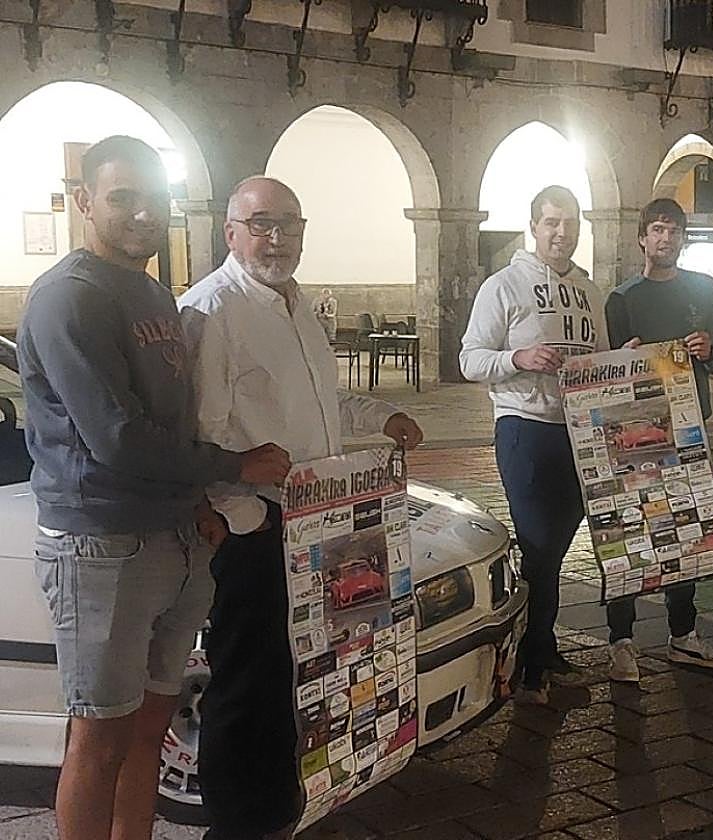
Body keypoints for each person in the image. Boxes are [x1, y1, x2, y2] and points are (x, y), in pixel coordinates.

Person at [17, 136, 290, 840]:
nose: (143, 213)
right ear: (83, 201)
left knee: (147, 728)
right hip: (102, 543)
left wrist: (199, 504)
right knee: (97, 738)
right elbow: (119, 438)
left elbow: (173, 417)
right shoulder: (69, 299)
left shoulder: (147, 291)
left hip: (175, 535)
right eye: (122, 198)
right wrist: (235, 467)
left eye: (155, 199)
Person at [179, 176, 423, 839]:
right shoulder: (211, 310)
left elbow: (327, 404)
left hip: (318, 522)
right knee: (244, 681)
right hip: (258, 528)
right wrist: (241, 519)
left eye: (288, 223)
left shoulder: (297, 305)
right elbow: (202, 431)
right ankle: (232, 823)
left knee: (303, 673)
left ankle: (284, 806)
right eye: (260, 224)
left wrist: (385, 415)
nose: (276, 237)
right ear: (230, 232)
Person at [460, 185, 610, 705]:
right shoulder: (502, 287)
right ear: (534, 225)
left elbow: (602, 356)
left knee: (554, 551)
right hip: (525, 427)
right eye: (551, 222)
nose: (561, 232)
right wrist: (517, 359)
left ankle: (540, 648)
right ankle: (527, 665)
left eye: (569, 222)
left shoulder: (590, 291)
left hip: (579, 431)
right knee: (539, 547)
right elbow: (470, 359)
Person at [603, 198, 713, 683]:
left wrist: (712, 348)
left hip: (690, 430)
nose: (666, 239)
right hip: (636, 436)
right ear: (642, 237)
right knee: (629, 534)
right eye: (657, 229)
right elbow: (609, 371)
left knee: (689, 531)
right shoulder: (622, 299)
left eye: (675, 231)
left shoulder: (704, 290)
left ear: (683, 238)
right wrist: (624, 359)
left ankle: (683, 635)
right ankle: (621, 640)